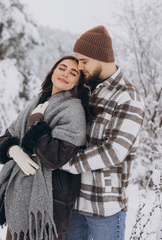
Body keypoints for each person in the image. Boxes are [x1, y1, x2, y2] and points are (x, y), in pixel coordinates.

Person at [0, 56, 92, 240]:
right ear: (53, 71)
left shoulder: (73, 109)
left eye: (73, 73)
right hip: (20, 198)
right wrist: (13, 151)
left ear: (78, 81)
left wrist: (37, 123)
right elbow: (6, 137)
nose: (65, 74)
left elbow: (57, 156)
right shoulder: (37, 102)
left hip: (50, 202)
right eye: (62, 68)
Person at [61, 26, 145, 240]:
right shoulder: (85, 90)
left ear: (101, 57)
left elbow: (113, 151)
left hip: (104, 208)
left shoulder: (128, 97)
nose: (79, 67)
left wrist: (64, 161)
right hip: (74, 200)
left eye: (84, 61)